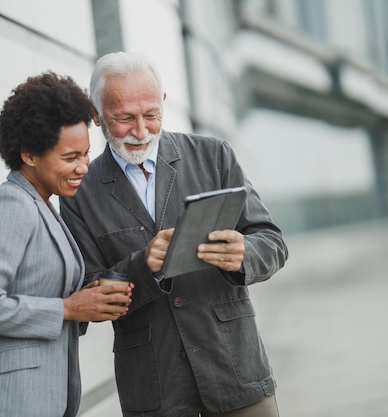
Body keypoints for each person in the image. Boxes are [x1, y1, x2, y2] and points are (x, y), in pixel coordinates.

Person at [59, 52, 288, 417]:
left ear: (163, 103)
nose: (140, 130)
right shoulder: (78, 193)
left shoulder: (214, 156)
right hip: (154, 389)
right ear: (96, 113)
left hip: (236, 371)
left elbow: (272, 241)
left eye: (151, 115)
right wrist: (141, 267)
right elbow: (86, 293)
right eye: (123, 118)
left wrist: (243, 255)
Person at [0, 71, 133, 417]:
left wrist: (91, 298)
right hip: (3, 404)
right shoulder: (10, 205)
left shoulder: (41, 204)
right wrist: (68, 309)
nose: (83, 167)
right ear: (29, 154)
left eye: (86, 154)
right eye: (70, 157)